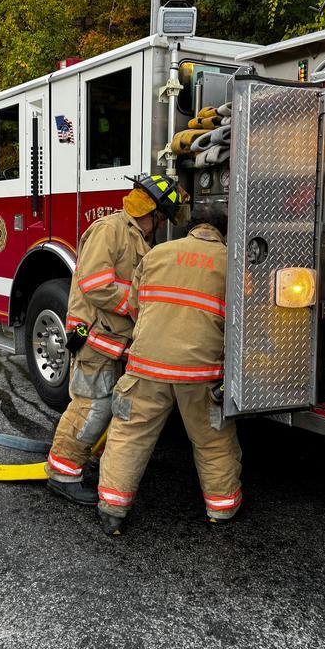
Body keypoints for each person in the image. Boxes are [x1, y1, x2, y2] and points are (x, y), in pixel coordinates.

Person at [95, 206, 240, 536]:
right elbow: (242, 321)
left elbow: (133, 306)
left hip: (146, 367)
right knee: (212, 439)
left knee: (130, 435)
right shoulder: (231, 261)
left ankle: (112, 510)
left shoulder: (158, 253)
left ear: (191, 227)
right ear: (223, 231)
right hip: (200, 375)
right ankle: (222, 509)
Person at [45, 174, 187, 505]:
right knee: (90, 407)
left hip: (112, 341)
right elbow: (95, 284)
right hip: (94, 338)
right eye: (161, 216)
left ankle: (81, 462)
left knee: (106, 406)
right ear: (149, 210)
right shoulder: (111, 230)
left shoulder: (136, 236)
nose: (161, 224)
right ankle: (63, 474)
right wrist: (138, 306)